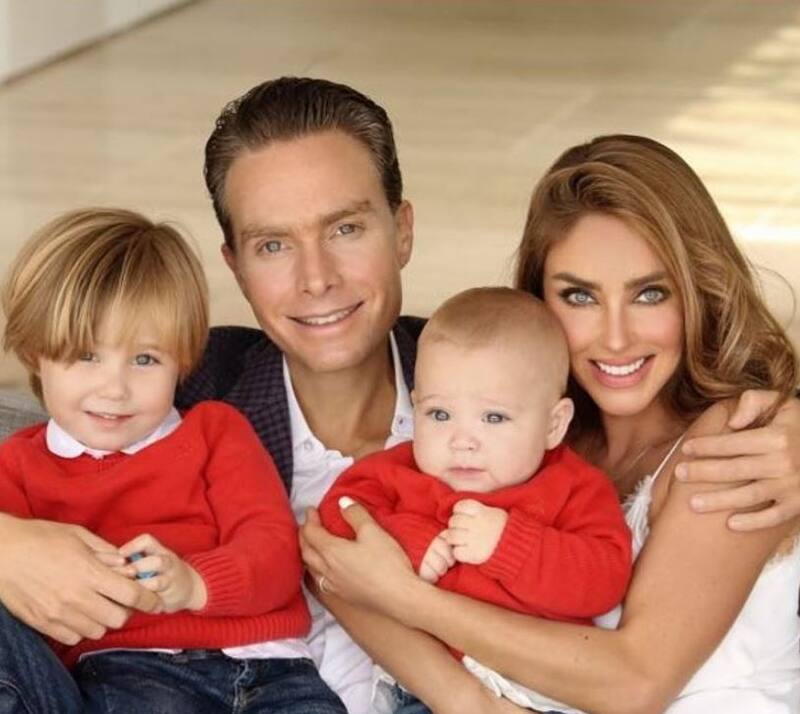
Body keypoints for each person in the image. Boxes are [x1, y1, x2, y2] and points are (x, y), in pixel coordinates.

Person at [1, 78, 799, 714]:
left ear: (403, 230)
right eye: (274, 244)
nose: (317, 278)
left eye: (347, 229)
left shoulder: (511, 385)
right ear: (234, 265)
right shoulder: (176, 385)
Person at [299, 135, 800, 713]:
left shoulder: (741, 441)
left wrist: (407, 599)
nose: (616, 338)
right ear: (538, 300)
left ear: (698, 292)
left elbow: (635, 682)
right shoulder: (526, 437)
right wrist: (468, 701)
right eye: (580, 297)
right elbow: (331, 567)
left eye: (650, 294)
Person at [0, 208, 346, 713]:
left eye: (145, 359)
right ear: (35, 354)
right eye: (86, 356)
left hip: (275, 667)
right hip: (129, 673)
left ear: (182, 361)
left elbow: (274, 550)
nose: (115, 389)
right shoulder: (18, 465)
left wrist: (196, 584)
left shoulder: (216, 432)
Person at [318, 287, 632, 713]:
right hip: (423, 685)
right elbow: (336, 516)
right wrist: (409, 541)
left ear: (553, 425)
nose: (462, 440)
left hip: (538, 691)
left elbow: (604, 580)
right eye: (439, 414)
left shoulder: (573, 488)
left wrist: (510, 545)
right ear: (415, 408)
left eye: (494, 417)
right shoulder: (400, 470)